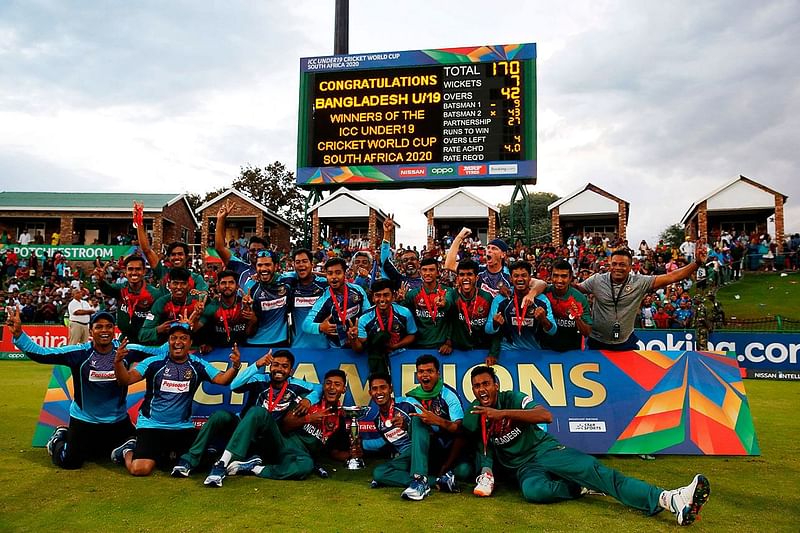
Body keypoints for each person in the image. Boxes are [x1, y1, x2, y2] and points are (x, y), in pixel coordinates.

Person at [462, 366, 711, 526]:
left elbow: (545, 415)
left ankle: (669, 498)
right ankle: (578, 487)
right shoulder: (474, 412)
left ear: (496, 384)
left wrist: (502, 413)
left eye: (486, 384)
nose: (482, 389)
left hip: (544, 451)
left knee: (597, 472)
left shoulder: (513, 398)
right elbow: (478, 445)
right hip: (525, 469)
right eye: (477, 386)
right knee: (534, 492)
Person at [8, 309, 150, 469]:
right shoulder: (80, 353)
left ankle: (119, 445)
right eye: (99, 327)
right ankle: (59, 437)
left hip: (118, 421)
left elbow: (159, 352)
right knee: (70, 462)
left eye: (109, 326)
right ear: (91, 331)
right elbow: (43, 353)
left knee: (145, 452)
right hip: (84, 421)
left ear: (114, 330)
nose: (104, 331)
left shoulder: (126, 351)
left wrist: (182, 330)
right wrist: (19, 334)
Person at [110, 322, 241, 476]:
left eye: (183, 338)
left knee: (200, 463)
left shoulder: (197, 365)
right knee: (139, 469)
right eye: (173, 338)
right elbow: (125, 380)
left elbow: (222, 379)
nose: (177, 342)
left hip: (182, 427)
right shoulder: (154, 362)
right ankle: (128, 449)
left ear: (190, 343)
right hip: (151, 425)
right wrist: (118, 362)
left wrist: (235, 367)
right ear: (168, 342)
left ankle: (165, 453)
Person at [200, 349, 321, 487]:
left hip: (272, 439)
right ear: (270, 366)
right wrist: (257, 364)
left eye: (284, 366)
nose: (279, 369)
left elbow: (319, 388)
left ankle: (254, 467)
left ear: (291, 371)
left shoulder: (297, 385)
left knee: (305, 464)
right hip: (249, 436)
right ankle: (221, 464)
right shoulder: (260, 379)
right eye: (275, 364)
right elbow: (234, 386)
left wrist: (309, 400)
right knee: (253, 412)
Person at [576, 245, 707, 350]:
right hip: (597, 342)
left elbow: (672, 277)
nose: (617, 268)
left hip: (625, 342)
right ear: (610, 264)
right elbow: (577, 289)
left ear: (630, 267)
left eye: (622, 265)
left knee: (628, 381)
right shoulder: (597, 280)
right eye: (614, 264)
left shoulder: (640, 282)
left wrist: (696, 263)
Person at [404, 354, 472, 493]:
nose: (425, 375)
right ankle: (420, 479)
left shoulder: (448, 394)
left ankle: (435, 478)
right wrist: (403, 424)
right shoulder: (412, 397)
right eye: (421, 371)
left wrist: (437, 420)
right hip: (429, 450)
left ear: (438, 374)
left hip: (450, 450)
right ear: (417, 375)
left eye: (430, 371)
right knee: (418, 419)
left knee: (464, 471)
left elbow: (459, 429)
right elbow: (409, 428)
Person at [486, 261, 557, 354]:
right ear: (511, 279)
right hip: (508, 351)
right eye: (516, 276)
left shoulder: (542, 300)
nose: (520, 279)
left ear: (530, 278)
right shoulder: (500, 299)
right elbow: (488, 329)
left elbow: (553, 331)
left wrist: (543, 320)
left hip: (534, 351)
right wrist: (495, 324)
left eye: (524, 275)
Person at [134, 205, 207, 291]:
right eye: (173, 254)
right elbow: (147, 250)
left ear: (187, 257)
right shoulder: (162, 272)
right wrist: (138, 221)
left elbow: (201, 298)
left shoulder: (196, 278)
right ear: (168, 257)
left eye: (180, 254)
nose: (176, 257)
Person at [350, 278, 417, 374]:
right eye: (378, 295)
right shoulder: (364, 319)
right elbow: (360, 347)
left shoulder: (405, 313)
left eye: (386, 295)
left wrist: (396, 345)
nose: (382, 299)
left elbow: (412, 335)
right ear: (373, 298)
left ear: (393, 296)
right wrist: (353, 340)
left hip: (401, 357)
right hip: (376, 360)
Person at [303, 257, 369, 348]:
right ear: (326, 275)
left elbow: (368, 314)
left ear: (345, 273)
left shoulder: (358, 290)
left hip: (359, 343)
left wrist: (360, 329)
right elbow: (306, 325)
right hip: (337, 348)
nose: (334, 277)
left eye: (338, 273)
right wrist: (321, 327)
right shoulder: (324, 300)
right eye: (330, 273)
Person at [95, 255, 163, 343]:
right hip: (125, 340)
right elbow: (107, 289)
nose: (134, 272)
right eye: (130, 269)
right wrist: (101, 280)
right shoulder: (121, 289)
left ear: (144, 272)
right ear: (125, 272)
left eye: (138, 269)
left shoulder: (155, 294)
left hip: (147, 342)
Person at [139, 267, 216, 345]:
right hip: (167, 347)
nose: (179, 287)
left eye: (183, 283)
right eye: (175, 283)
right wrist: (159, 329)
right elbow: (142, 335)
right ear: (169, 285)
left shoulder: (197, 303)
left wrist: (196, 318)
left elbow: (209, 327)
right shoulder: (161, 303)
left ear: (188, 286)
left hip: (194, 348)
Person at [448, 259, 501, 365]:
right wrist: (448, 342)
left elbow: (496, 328)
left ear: (476, 278)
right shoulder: (452, 296)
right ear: (457, 278)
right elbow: (447, 321)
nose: (466, 278)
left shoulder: (487, 297)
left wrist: (493, 353)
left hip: (482, 350)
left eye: (469, 274)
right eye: (462, 275)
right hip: (459, 351)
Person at [402, 257, 455, 355]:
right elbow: (404, 318)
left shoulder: (447, 291)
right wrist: (399, 301)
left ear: (438, 272)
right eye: (424, 270)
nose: (428, 273)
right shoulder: (412, 294)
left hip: (442, 346)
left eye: (431, 270)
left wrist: (449, 341)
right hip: (418, 346)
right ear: (420, 272)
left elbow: (452, 315)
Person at [281, 248, 329, 350]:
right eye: (297, 262)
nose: (301, 265)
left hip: (324, 347)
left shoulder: (324, 284)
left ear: (312, 264)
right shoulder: (290, 284)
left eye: (305, 261)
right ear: (293, 265)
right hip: (298, 347)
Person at [541, 259, 592, 352]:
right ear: (550, 276)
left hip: (572, 351)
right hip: (545, 349)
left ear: (570, 277)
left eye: (564, 276)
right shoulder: (543, 293)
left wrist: (577, 318)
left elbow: (587, 332)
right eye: (555, 275)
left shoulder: (579, 298)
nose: (559, 280)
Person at [214, 200, 268, 287]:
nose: (256, 253)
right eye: (253, 250)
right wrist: (220, 219)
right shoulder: (240, 267)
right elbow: (219, 248)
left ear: (267, 252)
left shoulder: (274, 274)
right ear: (248, 251)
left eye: (260, 250)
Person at [245, 250, 293, 346]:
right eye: (259, 265)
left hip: (280, 342)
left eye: (267, 264)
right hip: (254, 343)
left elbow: (309, 274)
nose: (263, 269)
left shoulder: (287, 280)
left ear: (276, 266)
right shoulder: (250, 286)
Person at [199, 269, 257, 349]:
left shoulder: (245, 304)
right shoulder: (212, 306)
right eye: (223, 283)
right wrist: (196, 314)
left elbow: (249, 333)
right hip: (217, 351)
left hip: (243, 350)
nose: (227, 286)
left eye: (231, 282)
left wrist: (253, 319)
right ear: (218, 286)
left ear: (237, 286)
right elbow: (199, 329)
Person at [445, 228, 511, 298]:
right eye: (488, 248)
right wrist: (459, 237)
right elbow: (449, 265)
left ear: (503, 255)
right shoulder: (478, 269)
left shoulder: (509, 276)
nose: (489, 250)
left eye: (494, 248)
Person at [380, 217, 423, 290]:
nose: (409, 261)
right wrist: (387, 234)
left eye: (412, 259)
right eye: (405, 260)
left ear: (418, 263)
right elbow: (385, 262)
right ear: (401, 265)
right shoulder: (398, 280)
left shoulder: (427, 282)